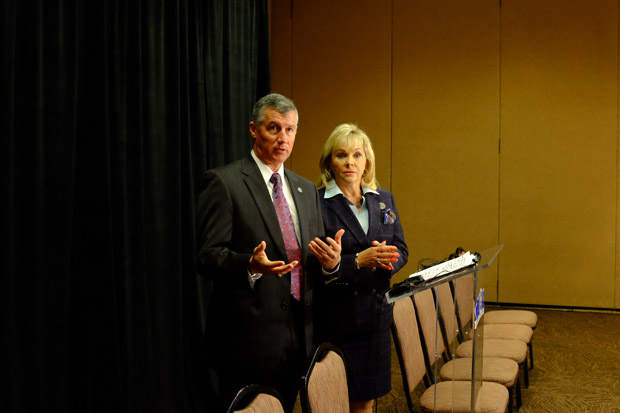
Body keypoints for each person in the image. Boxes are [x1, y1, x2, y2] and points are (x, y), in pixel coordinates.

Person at [195, 93, 344, 412]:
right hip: (246, 339)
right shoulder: (224, 182)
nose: (283, 138)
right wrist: (249, 265)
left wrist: (331, 265)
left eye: (290, 130)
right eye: (274, 128)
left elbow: (312, 262)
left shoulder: (305, 190)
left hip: (299, 336)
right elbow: (207, 256)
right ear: (253, 129)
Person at [314, 123, 408, 413]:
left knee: (366, 400)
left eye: (357, 155)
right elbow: (312, 264)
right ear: (330, 161)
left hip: (375, 316)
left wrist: (389, 260)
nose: (350, 162)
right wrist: (356, 261)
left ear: (367, 161)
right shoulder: (316, 202)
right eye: (341, 155)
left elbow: (402, 249)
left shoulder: (384, 199)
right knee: (333, 400)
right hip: (337, 317)